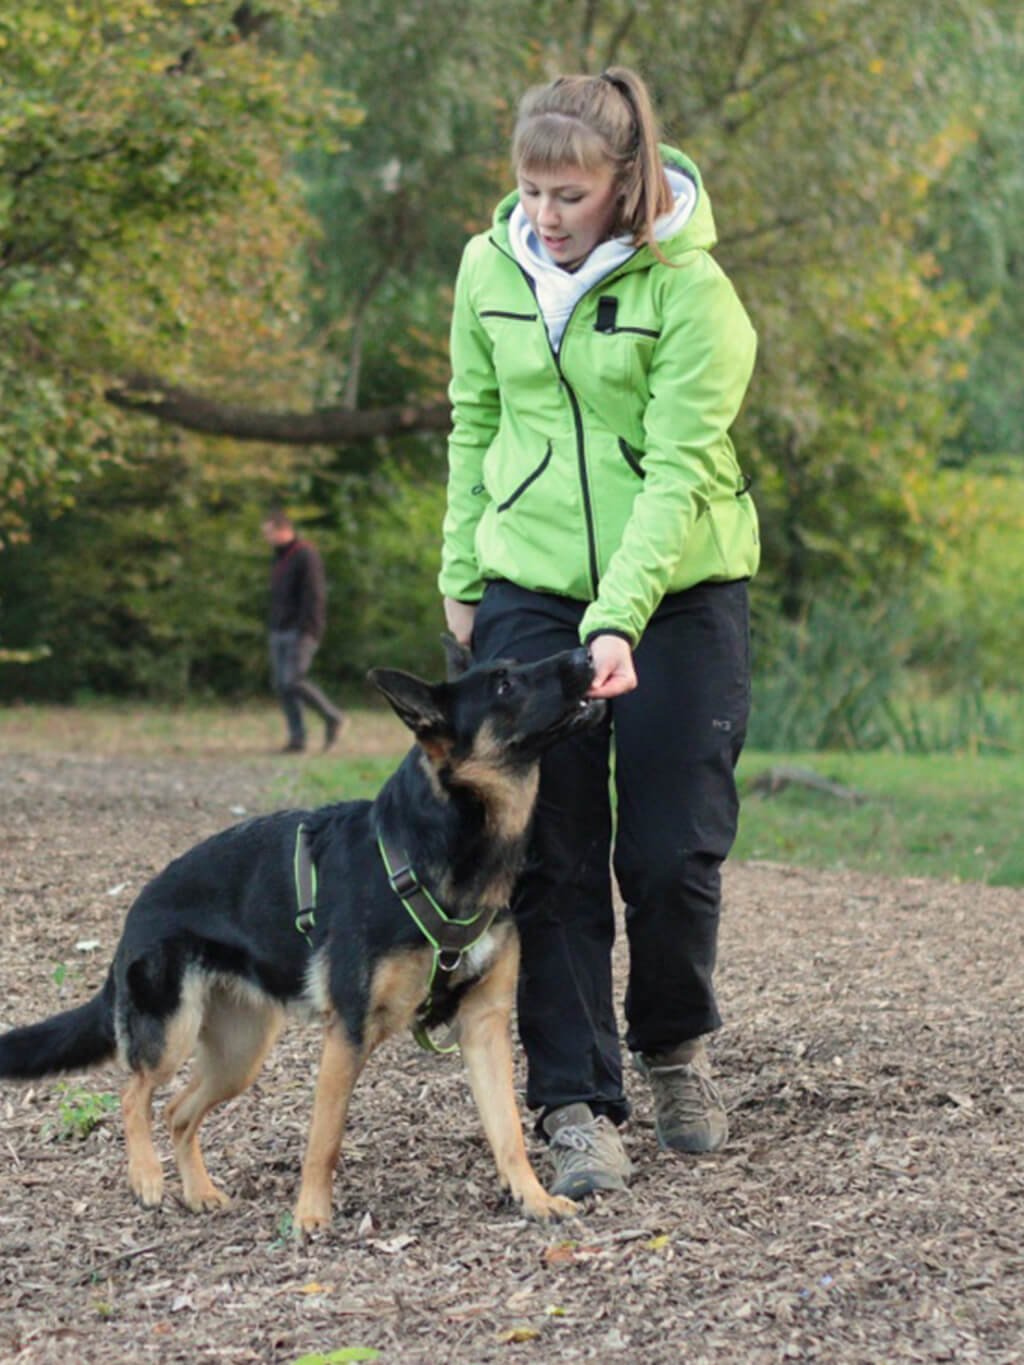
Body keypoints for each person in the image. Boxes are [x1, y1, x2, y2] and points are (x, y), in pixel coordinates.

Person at [438, 67, 758, 1198]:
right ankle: (574, 1101)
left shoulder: (695, 292)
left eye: (568, 193)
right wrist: (460, 574)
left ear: (625, 183)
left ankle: (672, 1041)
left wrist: (617, 619)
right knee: (547, 852)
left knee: (668, 855)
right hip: (525, 586)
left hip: (678, 593)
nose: (544, 214)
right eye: (530, 188)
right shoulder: (489, 269)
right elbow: (474, 420)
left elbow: (674, 477)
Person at [261, 508, 345, 754]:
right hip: (279, 628)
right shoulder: (278, 557)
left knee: (293, 680)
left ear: (284, 529)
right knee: (282, 685)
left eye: (270, 533)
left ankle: (332, 717)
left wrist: (309, 629)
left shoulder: (305, 555)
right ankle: (297, 739)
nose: (268, 538)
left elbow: (314, 595)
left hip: (301, 630)